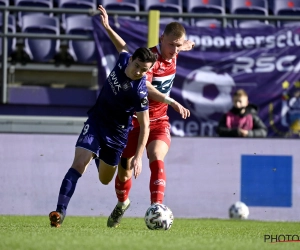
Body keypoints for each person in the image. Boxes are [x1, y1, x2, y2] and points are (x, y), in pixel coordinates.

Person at [97, 6, 194, 228]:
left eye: (179, 46)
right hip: (134, 122)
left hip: (159, 122)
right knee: (124, 169)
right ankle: (122, 203)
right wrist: (170, 100)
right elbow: (146, 85)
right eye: (171, 45)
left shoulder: (176, 52)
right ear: (161, 39)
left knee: (156, 157)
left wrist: (186, 46)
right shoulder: (151, 58)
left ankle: (156, 207)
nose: (175, 50)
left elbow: (181, 45)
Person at [48, 35, 157, 227]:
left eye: (144, 70)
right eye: (137, 65)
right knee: (79, 164)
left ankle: (99, 157)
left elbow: (145, 125)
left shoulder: (139, 92)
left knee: (105, 179)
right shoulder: (124, 59)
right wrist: (107, 27)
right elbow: (122, 45)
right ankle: (60, 211)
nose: (138, 71)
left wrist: (139, 157)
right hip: (96, 122)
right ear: (131, 59)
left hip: (116, 136)